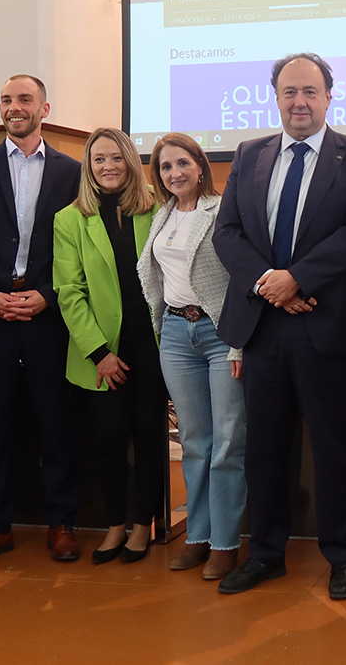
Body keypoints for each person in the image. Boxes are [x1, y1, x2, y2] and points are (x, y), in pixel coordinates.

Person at [211, 52, 346, 599]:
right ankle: (267, 553)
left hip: (325, 325)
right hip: (264, 326)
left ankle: (342, 555)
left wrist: (298, 280)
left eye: (310, 91)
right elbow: (228, 232)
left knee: (334, 446)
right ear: (276, 96)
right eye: (289, 92)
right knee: (264, 448)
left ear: (329, 97)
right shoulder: (250, 153)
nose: (299, 102)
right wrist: (270, 282)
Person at [0, 74, 84, 568]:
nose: (13, 107)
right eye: (6, 100)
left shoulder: (72, 171)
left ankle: (62, 524)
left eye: (24, 99)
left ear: (44, 108)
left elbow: (79, 247)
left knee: (56, 424)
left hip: (49, 318)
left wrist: (47, 296)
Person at [53, 127, 165, 565]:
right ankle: (115, 524)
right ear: (89, 166)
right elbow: (69, 291)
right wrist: (99, 352)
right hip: (101, 351)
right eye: (99, 159)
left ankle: (143, 526)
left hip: (154, 341)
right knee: (109, 437)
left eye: (116, 157)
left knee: (150, 434)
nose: (108, 166)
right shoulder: (70, 219)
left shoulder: (158, 207)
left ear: (131, 162)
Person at [139, 133, 246, 580]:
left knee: (227, 442)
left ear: (200, 166)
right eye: (165, 167)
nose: (174, 173)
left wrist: (240, 341)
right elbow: (156, 279)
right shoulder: (161, 216)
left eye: (182, 163)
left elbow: (244, 278)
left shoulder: (221, 211)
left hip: (220, 334)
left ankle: (225, 542)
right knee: (194, 442)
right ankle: (197, 536)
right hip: (178, 335)